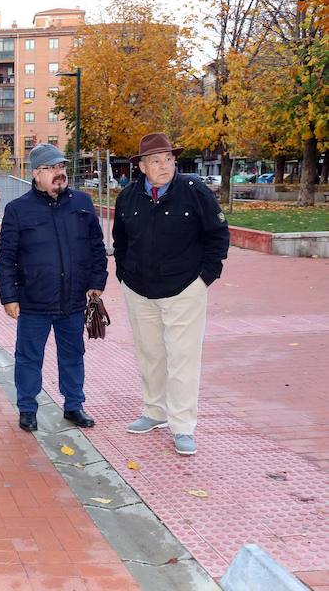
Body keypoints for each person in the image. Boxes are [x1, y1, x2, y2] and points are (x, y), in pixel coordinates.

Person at [113, 132, 229, 456]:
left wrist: (206, 277)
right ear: (142, 167)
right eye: (155, 161)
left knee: (183, 359)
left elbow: (218, 235)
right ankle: (154, 412)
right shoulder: (128, 198)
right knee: (150, 354)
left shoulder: (194, 192)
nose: (163, 166)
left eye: (168, 159)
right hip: (139, 290)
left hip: (184, 289)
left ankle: (182, 426)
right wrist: (124, 275)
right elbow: (120, 241)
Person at [0, 144, 107, 433]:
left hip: (73, 299)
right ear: (36, 174)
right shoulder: (18, 210)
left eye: (61, 167)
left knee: (73, 354)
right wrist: (9, 296)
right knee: (29, 357)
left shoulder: (82, 204)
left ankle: (73, 405)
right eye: (51, 168)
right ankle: (28, 408)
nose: (59, 173)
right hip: (33, 301)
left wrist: (96, 283)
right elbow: (5, 257)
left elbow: (97, 248)